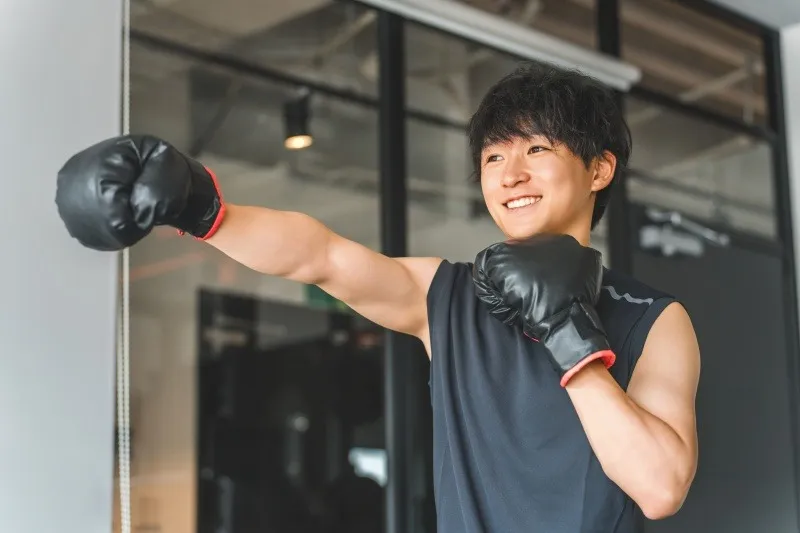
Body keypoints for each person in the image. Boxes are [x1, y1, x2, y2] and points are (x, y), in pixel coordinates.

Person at [55, 62, 700, 532]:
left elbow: (660, 488)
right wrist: (202, 210)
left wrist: (568, 333)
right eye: (493, 157)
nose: (511, 175)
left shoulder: (652, 318)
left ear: (599, 169)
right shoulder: (447, 295)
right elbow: (321, 257)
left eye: (536, 148)